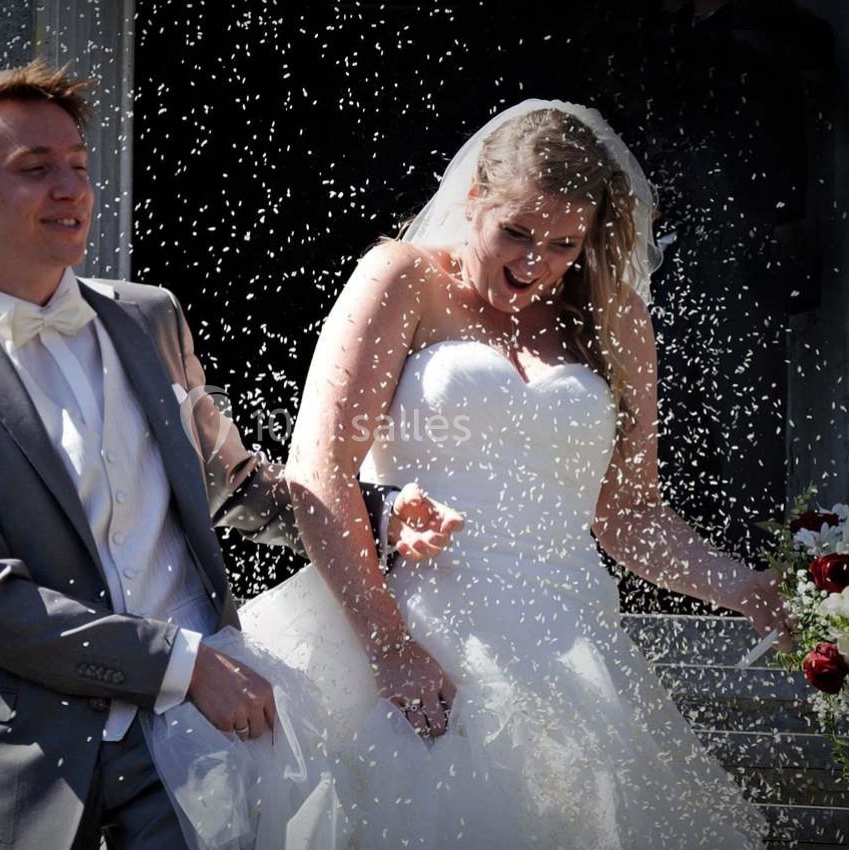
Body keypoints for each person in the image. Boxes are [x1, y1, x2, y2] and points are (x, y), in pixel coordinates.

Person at [147, 101, 793, 848]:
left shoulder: (616, 322)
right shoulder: (403, 278)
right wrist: (391, 648)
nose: (533, 263)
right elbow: (320, 471)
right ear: (474, 199)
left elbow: (630, 515)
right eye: (515, 233)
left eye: (562, 245)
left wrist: (741, 587)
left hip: (568, 641)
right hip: (407, 628)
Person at [0, 62, 462, 850]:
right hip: (26, 762)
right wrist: (181, 665)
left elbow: (232, 485)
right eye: (35, 169)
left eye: (77, 163)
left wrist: (373, 511)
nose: (71, 186)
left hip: (204, 751)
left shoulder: (152, 318)